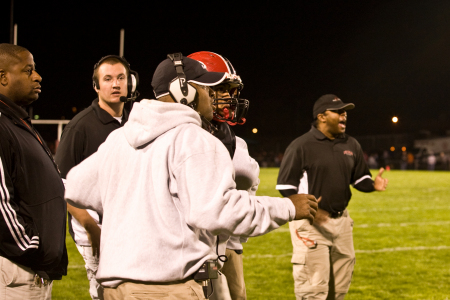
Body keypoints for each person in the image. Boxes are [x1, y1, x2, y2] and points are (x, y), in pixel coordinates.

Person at [64, 53, 319, 300]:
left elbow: (75, 186)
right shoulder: (192, 137)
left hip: (114, 287)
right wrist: (287, 207)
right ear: (184, 91)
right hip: (168, 288)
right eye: (207, 89)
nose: (211, 97)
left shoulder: (118, 139)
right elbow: (217, 212)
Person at [276, 94, 388, 300]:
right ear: (322, 116)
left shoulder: (351, 144)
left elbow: (360, 179)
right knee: (313, 292)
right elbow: (285, 186)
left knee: (339, 291)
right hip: (311, 224)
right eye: (338, 111)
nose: (344, 114)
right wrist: (310, 211)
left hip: (342, 223)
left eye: (345, 111)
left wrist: (373, 185)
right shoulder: (301, 145)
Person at [55, 55, 138, 300]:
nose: (115, 84)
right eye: (108, 79)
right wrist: (92, 227)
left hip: (129, 223)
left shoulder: (136, 121)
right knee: (103, 289)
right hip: (95, 225)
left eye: (121, 78)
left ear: (129, 83)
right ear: (96, 86)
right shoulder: (79, 128)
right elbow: (62, 187)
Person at [0, 43, 68, 299]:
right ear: (3, 77)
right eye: (28, 70)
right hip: (16, 272)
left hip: (30, 271)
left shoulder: (15, 122)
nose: (37, 76)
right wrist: (31, 247)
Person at [188, 51, 253, 300]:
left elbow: (247, 190)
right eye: (221, 88)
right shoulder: (177, 136)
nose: (229, 96)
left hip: (222, 245)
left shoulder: (234, 141)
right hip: (184, 250)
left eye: (231, 89)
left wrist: (234, 241)